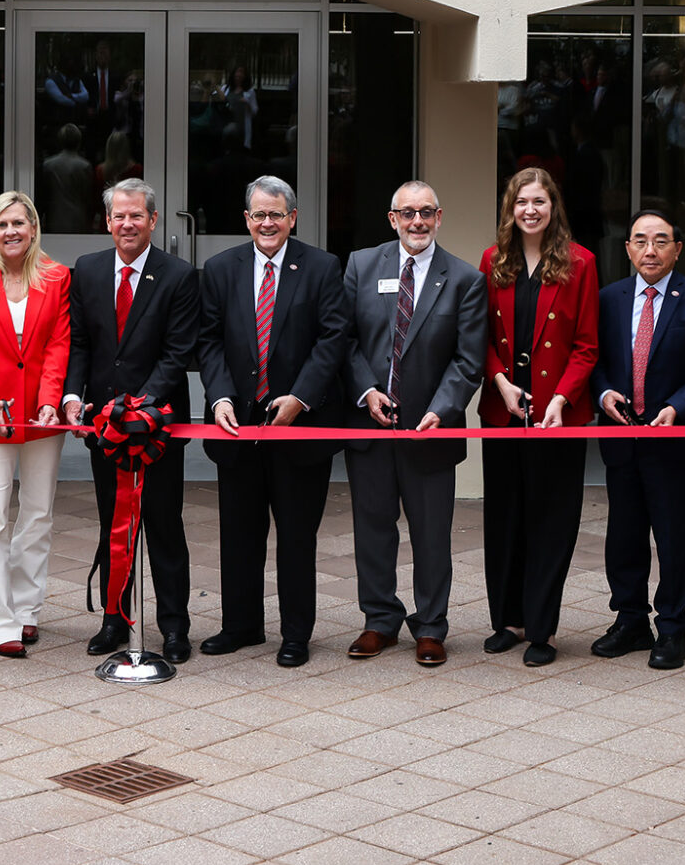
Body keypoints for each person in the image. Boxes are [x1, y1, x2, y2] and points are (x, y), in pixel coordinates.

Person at [196, 176, 347, 668]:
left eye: (276, 214)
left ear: (292, 217)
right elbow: (210, 340)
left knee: (297, 536)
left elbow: (332, 340)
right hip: (236, 426)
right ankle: (241, 625)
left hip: (301, 428)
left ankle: (295, 634)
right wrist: (217, 397)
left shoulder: (323, 267)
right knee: (239, 532)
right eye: (259, 215)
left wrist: (301, 398)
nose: (267, 223)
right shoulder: (220, 269)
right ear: (246, 219)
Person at [339, 181, 487, 667]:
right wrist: (366, 391)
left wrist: (442, 409)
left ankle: (430, 626)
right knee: (373, 530)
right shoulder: (361, 265)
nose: (417, 222)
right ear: (392, 218)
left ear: (439, 217)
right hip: (372, 425)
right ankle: (379, 620)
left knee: (431, 534)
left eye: (426, 213)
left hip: (431, 429)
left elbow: (468, 360)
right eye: (408, 213)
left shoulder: (464, 278)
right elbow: (345, 340)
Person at [64, 180, 199, 663]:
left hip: (156, 429)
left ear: (154, 220)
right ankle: (113, 620)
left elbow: (178, 353)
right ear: (107, 221)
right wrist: (74, 398)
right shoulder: (88, 270)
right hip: (104, 428)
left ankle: (174, 627)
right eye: (119, 216)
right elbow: (80, 343)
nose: (127, 224)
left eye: (137, 216)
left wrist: (137, 410)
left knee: (163, 527)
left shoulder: (179, 275)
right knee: (113, 526)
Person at [591, 209, 685, 669]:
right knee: (624, 536)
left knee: (675, 537)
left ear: (678, 248)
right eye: (641, 241)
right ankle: (630, 620)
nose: (650, 250)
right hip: (622, 437)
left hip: (674, 439)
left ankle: (672, 627)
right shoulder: (609, 298)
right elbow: (596, 359)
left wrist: (678, 407)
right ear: (627, 247)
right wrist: (605, 393)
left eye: (661, 241)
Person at [478, 167, 600, 667]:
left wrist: (561, 399)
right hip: (503, 410)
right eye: (522, 201)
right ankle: (508, 619)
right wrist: (500, 382)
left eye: (540, 202)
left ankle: (542, 629)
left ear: (554, 208)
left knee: (551, 518)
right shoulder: (492, 260)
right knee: (505, 516)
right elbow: (477, 336)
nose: (531, 210)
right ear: (511, 208)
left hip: (557, 415)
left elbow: (587, 345)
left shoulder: (581, 262)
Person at [0, 192, 71, 658]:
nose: (11, 232)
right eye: (1, 225)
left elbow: (60, 344)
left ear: (33, 228)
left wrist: (49, 402)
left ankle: (26, 611)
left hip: (42, 415)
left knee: (38, 514)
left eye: (19, 223)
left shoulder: (57, 277)